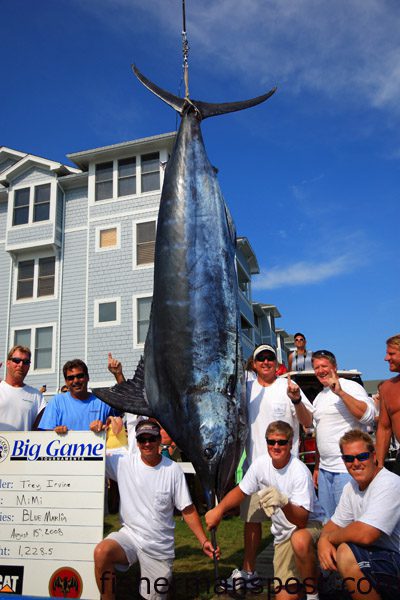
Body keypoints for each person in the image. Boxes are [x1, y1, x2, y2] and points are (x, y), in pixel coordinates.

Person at [94, 420, 218, 600]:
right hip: (130, 536)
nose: (147, 444)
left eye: (151, 439)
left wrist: (203, 541)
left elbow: (187, 509)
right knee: (102, 552)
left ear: (159, 440)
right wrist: (94, 433)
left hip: (159, 546)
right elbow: (89, 452)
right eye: (142, 439)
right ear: (136, 442)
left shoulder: (173, 470)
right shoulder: (123, 462)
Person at [206, 421, 324, 600]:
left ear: (290, 443)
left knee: (299, 541)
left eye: (281, 442)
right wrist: (219, 510)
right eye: (271, 442)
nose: (276, 446)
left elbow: (301, 520)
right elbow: (241, 491)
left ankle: (313, 594)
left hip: (307, 526)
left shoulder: (299, 471)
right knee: (284, 597)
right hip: (283, 535)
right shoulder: (261, 464)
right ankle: (313, 573)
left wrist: (284, 503)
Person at [227, 344, 314, 588]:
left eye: (270, 358)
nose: (266, 361)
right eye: (260, 358)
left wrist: (296, 399)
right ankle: (249, 572)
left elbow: (307, 422)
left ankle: (298, 574)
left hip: (287, 472)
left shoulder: (287, 385)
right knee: (252, 523)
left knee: (292, 527)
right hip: (255, 472)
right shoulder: (245, 389)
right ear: (253, 364)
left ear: (276, 362)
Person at [318, 429, 400, 599]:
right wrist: (322, 542)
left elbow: (366, 534)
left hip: (395, 558)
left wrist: (329, 539)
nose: (355, 463)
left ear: (374, 455)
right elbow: (333, 525)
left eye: (361, 456)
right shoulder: (351, 488)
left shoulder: (389, 483)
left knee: (346, 553)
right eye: (348, 458)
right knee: (304, 539)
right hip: (381, 558)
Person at [311, 350, 375, 519]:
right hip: (325, 471)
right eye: (316, 367)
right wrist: (317, 466)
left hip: (347, 470)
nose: (320, 370)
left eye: (324, 366)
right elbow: (320, 433)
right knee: (328, 522)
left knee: (349, 522)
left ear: (335, 367)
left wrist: (340, 393)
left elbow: (368, 416)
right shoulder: (319, 397)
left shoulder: (351, 387)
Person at [39, 358, 119, 432]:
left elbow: (125, 404)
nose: (76, 381)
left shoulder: (102, 401)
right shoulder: (56, 402)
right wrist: (56, 432)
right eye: (71, 378)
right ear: (66, 382)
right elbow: (46, 434)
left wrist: (118, 375)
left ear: (87, 377)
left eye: (80, 376)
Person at [0, 345, 45, 431]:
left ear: (28, 367)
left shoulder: (37, 396)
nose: (21, 365)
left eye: (26, 362)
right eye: (16, 360)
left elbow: (40, 430)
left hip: (22, 444)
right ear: (8, 363)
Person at [375, 334, 400, 473]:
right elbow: (384, 428)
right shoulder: (387, 388)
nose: (386, 358)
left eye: (391, 353)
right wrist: (379, 466)